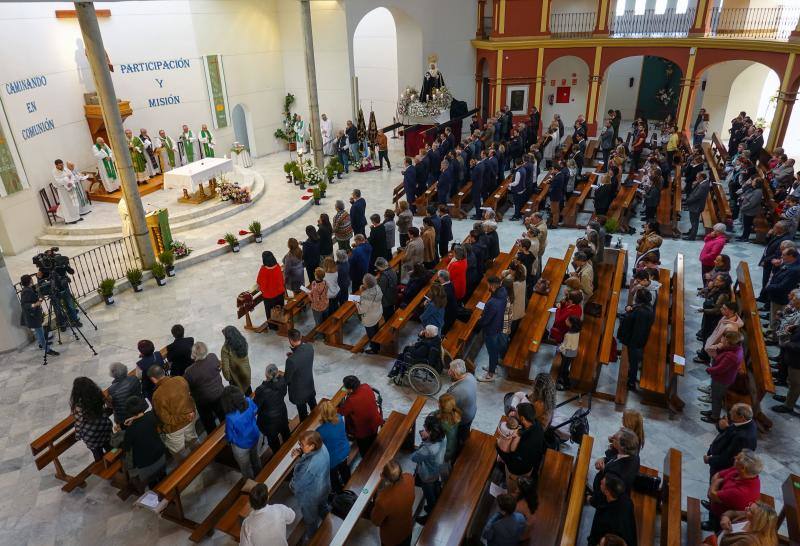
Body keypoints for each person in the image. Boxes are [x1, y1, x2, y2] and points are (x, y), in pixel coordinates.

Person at [116, 396, 167, 492]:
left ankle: (158, 498)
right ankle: (168, 492)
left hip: (146, 466)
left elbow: (126, 447)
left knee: (153, 484)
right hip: (161, 456)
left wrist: (123, 430)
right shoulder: (151, 416)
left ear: (129, 412)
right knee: (164, 477)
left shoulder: (131, 430)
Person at [705, 450, 763, 531]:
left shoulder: (740, 492)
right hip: (721, 500)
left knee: (717, 529)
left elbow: (711, 494)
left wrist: (715, 483)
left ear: (743, 468)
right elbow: (717, 474)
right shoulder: (741, 471)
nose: (734, 457)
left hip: (723, 517)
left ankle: (712, 525)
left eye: (737, 459)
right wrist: (715, 486)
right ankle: (710, 508)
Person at [289, 431, 331, 542]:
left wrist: (291, 484)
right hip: (324, 487)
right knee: (323, 506)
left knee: (310, 519)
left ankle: (314, 538)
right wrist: (302, 453)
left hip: (311, 496)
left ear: (312, 446)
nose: (300, 446)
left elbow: (297, 486)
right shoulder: (322, 447)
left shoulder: (308, 466)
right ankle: (328, 522)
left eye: (302, 445)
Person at [496, 403, 545, 494]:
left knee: (513, 488)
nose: (515, 414)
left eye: (517, 414)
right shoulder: (537, 425)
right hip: (531, 464)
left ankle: (511, 496)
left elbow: (512, 461)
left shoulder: (524, 444)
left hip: (518, 471)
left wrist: (498, 447)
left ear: (522, 418)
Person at [148, 365, 197, 456]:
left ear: (153, 379)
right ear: (163, 371)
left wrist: (184, 417)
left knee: (179, 453)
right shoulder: (180, 379)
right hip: (190, 419)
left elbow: (165, 418)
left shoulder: (157, 395)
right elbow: (190, 397)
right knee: (194, 443)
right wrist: (189, 414)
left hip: (175, 429)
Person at [589, 428, 641, 507]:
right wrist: (603, 459)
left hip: (606, 496)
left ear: (622, 447)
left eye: (615, 438)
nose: (612, 438)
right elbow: (614, 457)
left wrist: (589, 499)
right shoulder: (634, 455)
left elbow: (605, 496)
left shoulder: (615, 474)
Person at [704, 403, 757, 478]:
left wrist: (709, 460)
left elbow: (728, 459)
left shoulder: (743, 438)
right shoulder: (745, 422)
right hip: (717, 458)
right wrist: (723, 428)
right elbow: (729, 433)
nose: (729, 413)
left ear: (741, 417)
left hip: (721, 470)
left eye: (732, 412)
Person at [701, 331, 744, 424]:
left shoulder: (732, 356)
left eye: (724, 339)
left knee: (717, 397)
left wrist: (709, 369)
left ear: (729, 343)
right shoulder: (736, 348)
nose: (722, 340)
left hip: (722, 379)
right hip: (722, 378)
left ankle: (715, 417)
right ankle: (713, 411)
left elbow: (720, 369)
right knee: (714, 395)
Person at [370, 459, 415, 546]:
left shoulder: (383, 500)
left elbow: (376, 521)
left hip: (392, 537)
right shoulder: (410, 478)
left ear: (385, 477)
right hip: (407, 528)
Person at [412, 414, 447, 524]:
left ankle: (430, 515)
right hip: (439, 467)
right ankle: (434, 503)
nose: (423, 428)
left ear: (430, 432)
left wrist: (424, 440)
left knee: (429, 494)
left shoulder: (428, 449)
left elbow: (414, 458)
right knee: (436, 485)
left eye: (425, 428)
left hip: (427, 475)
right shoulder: (443, 437)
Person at [184, 342, 226, 434]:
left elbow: (188, 388)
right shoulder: (212, 357)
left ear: (194, 354)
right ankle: (227, 430)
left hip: (203, 400)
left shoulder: (189, 371)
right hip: (219, 393)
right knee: (223, 414)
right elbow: (219, 366)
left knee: (208, 421)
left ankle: (212, 437)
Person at [617, 289, 655, 391]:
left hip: (634, 340)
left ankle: (631, 382)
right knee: (634, 360)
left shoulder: (640, 311)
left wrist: (625, 315)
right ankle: (631, 375)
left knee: (633, 361)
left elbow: (629, 321)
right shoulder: (649, 307)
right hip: (641, 338)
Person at [220, 386, 261, 479]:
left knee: (245, 466)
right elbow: (255, 410)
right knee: (255, 457)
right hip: (254, 435)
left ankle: (251, 481)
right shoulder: (248, 401)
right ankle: (260, 473)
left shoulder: (230, 417)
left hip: (242, 445)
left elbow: (229, 435)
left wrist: (228, 441)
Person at [69, 377, 112, 461]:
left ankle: (101, 467)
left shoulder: (79, 405)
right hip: (104, 426)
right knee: (111, 447)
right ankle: (115, 458)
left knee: (98, 454)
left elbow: (79, 423)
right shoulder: (98, 394)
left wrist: (78, 436)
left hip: (92, 435)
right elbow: (109, 404)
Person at [338, 375, 383, 455]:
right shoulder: (366, 386)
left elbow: (341, 412)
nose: (344, 388)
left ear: (350, 390)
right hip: (374, 424)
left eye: (345, 386)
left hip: (363, 431)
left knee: (364, 450)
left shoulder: (351, 400)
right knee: (373, 440)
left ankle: (366, 461)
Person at [587, 475, 638, 546]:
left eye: (602, 483)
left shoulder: (609, 521)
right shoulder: (626, 499)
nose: (601, 481)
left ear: (607, 492)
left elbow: (597, 534)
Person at [254, 364, 291, 454]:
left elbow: (256, 407)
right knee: (286, 432)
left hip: (269, 421)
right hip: (282, 413)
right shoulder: (282, 381)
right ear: (277, 372)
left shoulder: (261, 390)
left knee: (273, 440)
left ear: (266, 375)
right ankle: (289, 448)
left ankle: (278, 455)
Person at [762, 247, 800, 336]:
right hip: (776, 294)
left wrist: (769, 287)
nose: (781, 257)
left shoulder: (794, 270)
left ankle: (772, 336)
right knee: (773, 315)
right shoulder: (789, 263)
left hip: (780, 297)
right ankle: (771, 330)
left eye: (783, 255)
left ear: (791, 256)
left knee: (776, 317)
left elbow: (783, 286)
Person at [18, 274, 58, 358]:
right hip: (33, 317)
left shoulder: (28, 289)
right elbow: (25, 305)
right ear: (29, 280)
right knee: (40, 333)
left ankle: (41, 344)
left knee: (39, 331)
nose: (32, 280)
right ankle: (47, 349)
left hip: (34, 316)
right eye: (31, 279)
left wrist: (38, 299)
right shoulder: (26, 291)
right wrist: (35, 304)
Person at [316, 400, 351, 493]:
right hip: (344, 451)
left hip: (332, 459)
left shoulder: (320, 430)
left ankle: (338, 492)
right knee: (344, 469)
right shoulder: (340, 418)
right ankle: (349, 485)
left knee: (333, 476)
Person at [283, 328, 317, 421]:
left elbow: (287, 379)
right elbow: (303, 357)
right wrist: (294, 354)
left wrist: (293, 357)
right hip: (309, 385)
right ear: (301, 337)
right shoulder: (309, 347)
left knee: (303, 414)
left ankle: (304, 429)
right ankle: (317, 420)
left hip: (299, 392)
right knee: (314, 407)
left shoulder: (291, 361)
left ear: (290, 340)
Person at [714, 501, 778, 546]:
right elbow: (733, 513)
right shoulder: (749, 517)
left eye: (751, 510)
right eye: (750, 505)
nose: (746, 508)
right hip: (720, 535)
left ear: (757, 520)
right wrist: (725, 517)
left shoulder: (749, 542)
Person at [446, 359, 477, 450]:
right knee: (465, 432)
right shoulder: (470, 376)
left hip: (463, 418)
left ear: (455, 374)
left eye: (450, 370)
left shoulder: (457, 391)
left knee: (457, 437)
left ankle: (456, 450)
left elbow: (447, 408)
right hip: (472, 410)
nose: (448, 371)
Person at [256, 251, 285, 332]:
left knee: (270, 311)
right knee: (279, 308)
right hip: (279, 293)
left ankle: (273, 326)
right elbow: (281, 279)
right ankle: (280, 322)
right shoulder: (277, 266)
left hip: (269, 296)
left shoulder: (264, 270)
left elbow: (260, 283)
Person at [220, 325, 252, 396]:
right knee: (249, 395)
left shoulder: (226, 349)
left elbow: (225, 369)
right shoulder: (242, 341)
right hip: (246, 374)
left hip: (236, 379)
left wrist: (228, 378)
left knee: (238, 399)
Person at [357, 273, 384, 354]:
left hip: (370, 317)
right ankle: (377, 344)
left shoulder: (367, 295)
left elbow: (362, 310)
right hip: (377, 312)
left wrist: (356, 303)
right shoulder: (377, 287)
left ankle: (374, 349)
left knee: (371, 333)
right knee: (376, 329)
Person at [52, 159, 82, 224]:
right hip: (63, 190)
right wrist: (66, 180)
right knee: (67, 204)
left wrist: (71, 182)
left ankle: (77, 217)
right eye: (60, 165)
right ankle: (70, 219)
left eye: (62, 164)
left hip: (71, 187)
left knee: (75, 203)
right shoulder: (54, 172)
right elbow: (57, 181)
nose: (62, 166)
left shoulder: (66, 169)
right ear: (56, 165)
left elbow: (72, 176)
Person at [556, 316, 582, 391]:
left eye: (567, 320)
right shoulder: (577, 331)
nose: (566, 320)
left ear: (571, 324)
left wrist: (559, 348)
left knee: (563, 367)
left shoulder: (568, 335)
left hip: (567, 353)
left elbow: (565, 345)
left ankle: (564, 383)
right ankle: (565, 378)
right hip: (573, 352)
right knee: (566, 365)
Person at [684, 173, 711, 240]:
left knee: (694, 222)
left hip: (696, 206)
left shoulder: (703, 185)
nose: (696, 179)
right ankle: (691, 233)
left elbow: (697, 196)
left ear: (701, 178)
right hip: (696, 205)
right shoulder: (703, 183)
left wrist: (687, 201)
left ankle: (692, 236)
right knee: (693, 221)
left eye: (697, 177)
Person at [737, 177, 764, 242]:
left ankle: (745, 238)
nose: (752, 182)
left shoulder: (758, 192)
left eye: (754, 181)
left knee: (747, 225)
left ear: (757, 183)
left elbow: (752, 203)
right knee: (745, 224)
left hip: (750, 211)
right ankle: (743, 236)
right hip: (747, 210)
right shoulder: (754, 189)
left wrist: (743, 207)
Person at [375, 257, 398, 322]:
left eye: (377, 267)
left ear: (380, 267)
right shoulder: (392, 270)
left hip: (386, 301)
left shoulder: (384, 277)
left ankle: (389, 326)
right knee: (391, 312)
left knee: (388, 317)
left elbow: (380, 290)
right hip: (393, 296)